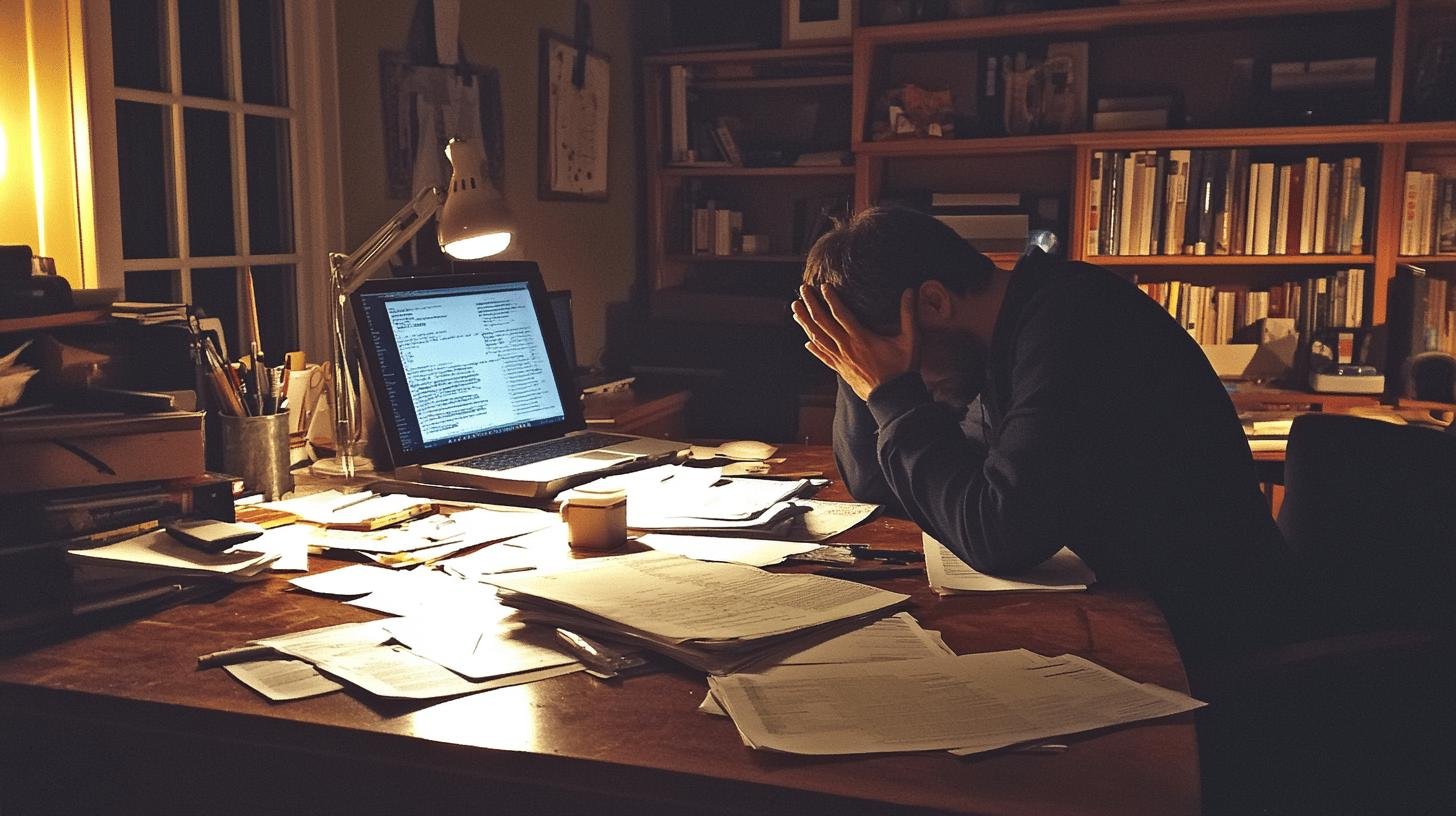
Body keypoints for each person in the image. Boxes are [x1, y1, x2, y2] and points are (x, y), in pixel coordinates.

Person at [791, 206, 1302, 678]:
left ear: (933, 301)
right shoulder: (1004, 337)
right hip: (1122, 608)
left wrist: (890, 391)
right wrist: (858, 366)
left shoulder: (1075, 323)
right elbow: (876, 484)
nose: (907, 380)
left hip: (1208, 644)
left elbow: (999, 536)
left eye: (893, 357)